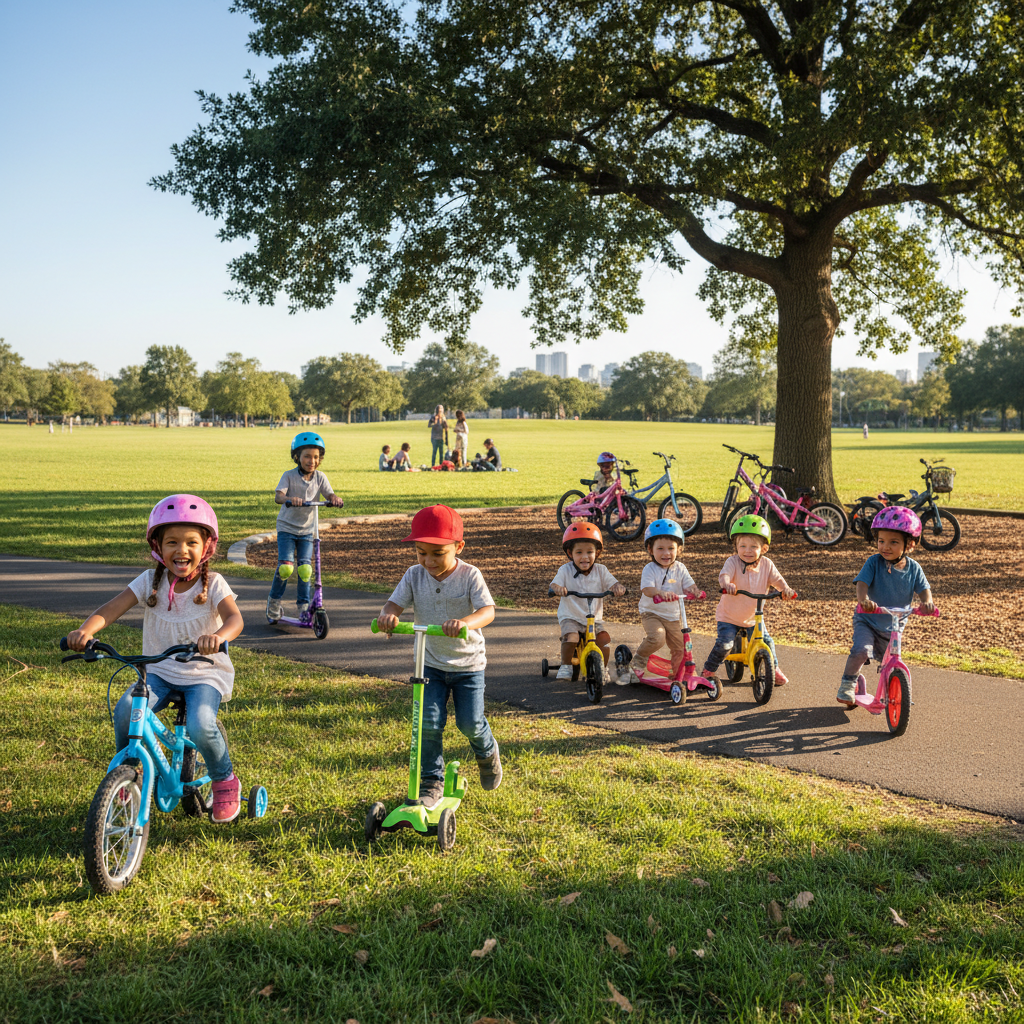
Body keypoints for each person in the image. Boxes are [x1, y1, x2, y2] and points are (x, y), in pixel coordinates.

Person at [65, 495, 246, 822]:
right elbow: (110, 609)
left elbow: (235, 620)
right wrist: (85, 631)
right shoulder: (150, 582)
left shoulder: (215, 584)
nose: (181, 550)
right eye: (172, 542)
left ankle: (224, 779)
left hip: (204, 673)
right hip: (159, 672)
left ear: (206, 547)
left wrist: (217, 638)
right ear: (158, 548)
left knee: (202, 724)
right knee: (125, 710)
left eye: (191, 542)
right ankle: (127, 772)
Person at [375, 505, 501, 806]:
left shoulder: (470, 575)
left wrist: (465, 623)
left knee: (469, 723)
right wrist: (388, 616)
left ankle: (487, 752)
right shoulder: (414, 575)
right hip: (429, 664)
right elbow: (393, 605)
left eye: (437, 553)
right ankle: (432, 781)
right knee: (428, 724)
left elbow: (488, 611)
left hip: (468, 665)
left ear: (458, 547)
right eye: (421, 553)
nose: (428, 561)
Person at [836, 507, 934, 708]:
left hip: (894, 625)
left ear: (910, 545)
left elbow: (924, 589)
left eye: (894, 542)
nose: (885, 547)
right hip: (868, 619)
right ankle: (848, 683)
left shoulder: (914, 568)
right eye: (881, 541)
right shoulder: (873, 562)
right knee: (861, 651)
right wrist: (864, 601)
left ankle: (897, 691)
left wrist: (927, 603)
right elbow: (862, 583)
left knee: (890, 662)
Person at [701, 515, 796, 685]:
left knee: (767, 641)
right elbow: (724, 575)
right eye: (742, 546)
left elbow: (778, 581)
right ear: (736, 546)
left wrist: (786, 590)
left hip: (753, 618)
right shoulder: (733, 562)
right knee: (725, 645)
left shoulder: (767, 565)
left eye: (754, 547)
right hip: (729, 616)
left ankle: (773, 668)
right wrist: (727, 584)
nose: (747, 550)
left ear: (764, 549)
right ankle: (708, 670)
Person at [267, 431, 344, 622]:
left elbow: (329, 494)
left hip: (308, 530)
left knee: (305, 569)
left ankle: (303, 607)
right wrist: (289, 499)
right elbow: (278, 496)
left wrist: (334, 499)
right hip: (287, 528)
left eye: (316, 457)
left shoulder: (320, 477)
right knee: (286, 568)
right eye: (307, 456)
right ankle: (274, 603)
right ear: (297, 457)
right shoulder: (289, 476)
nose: (312, 461)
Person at [625, 519, 703, 685]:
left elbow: (689, 584)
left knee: (680, 647)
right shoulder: (650, 569)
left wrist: (695, 591)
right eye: (660, 548)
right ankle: (638, 660)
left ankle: (678, 675)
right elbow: (647, 589)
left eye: (671, 549)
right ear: (650, 549)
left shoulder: (680, 568)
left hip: (673, 616)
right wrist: (660, 593)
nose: (666, 553)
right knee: (658, 637)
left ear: (679, 549)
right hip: (652, 613)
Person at [550, 522, 626, 680]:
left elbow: (613, 583)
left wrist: (617, 587)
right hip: (571, 615)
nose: (585, 557)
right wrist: (557, 588)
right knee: (571, 637)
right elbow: (555, 583)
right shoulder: (565, 570)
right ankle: (566, 664)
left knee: (604, 640)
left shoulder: (601, 570)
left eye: (589, 552)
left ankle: (602, 668)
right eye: (579, 552)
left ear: (597, 552)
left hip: (593, 619)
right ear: (570, 553)